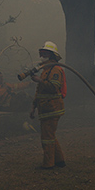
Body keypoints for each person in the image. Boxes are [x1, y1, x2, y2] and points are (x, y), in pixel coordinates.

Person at [30, 41, 67, 169]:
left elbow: (53, 87)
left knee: (47, 138)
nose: (42, 56)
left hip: (52, 109)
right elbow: (40, 90)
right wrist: (33, 106)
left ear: (52, 56)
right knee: (50, 136)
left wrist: (39, 80)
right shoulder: (45, 70)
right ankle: (59, 160)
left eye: (45, 53)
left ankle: (48, 164)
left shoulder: (55, 70)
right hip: (45, 109)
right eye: (42, 53)